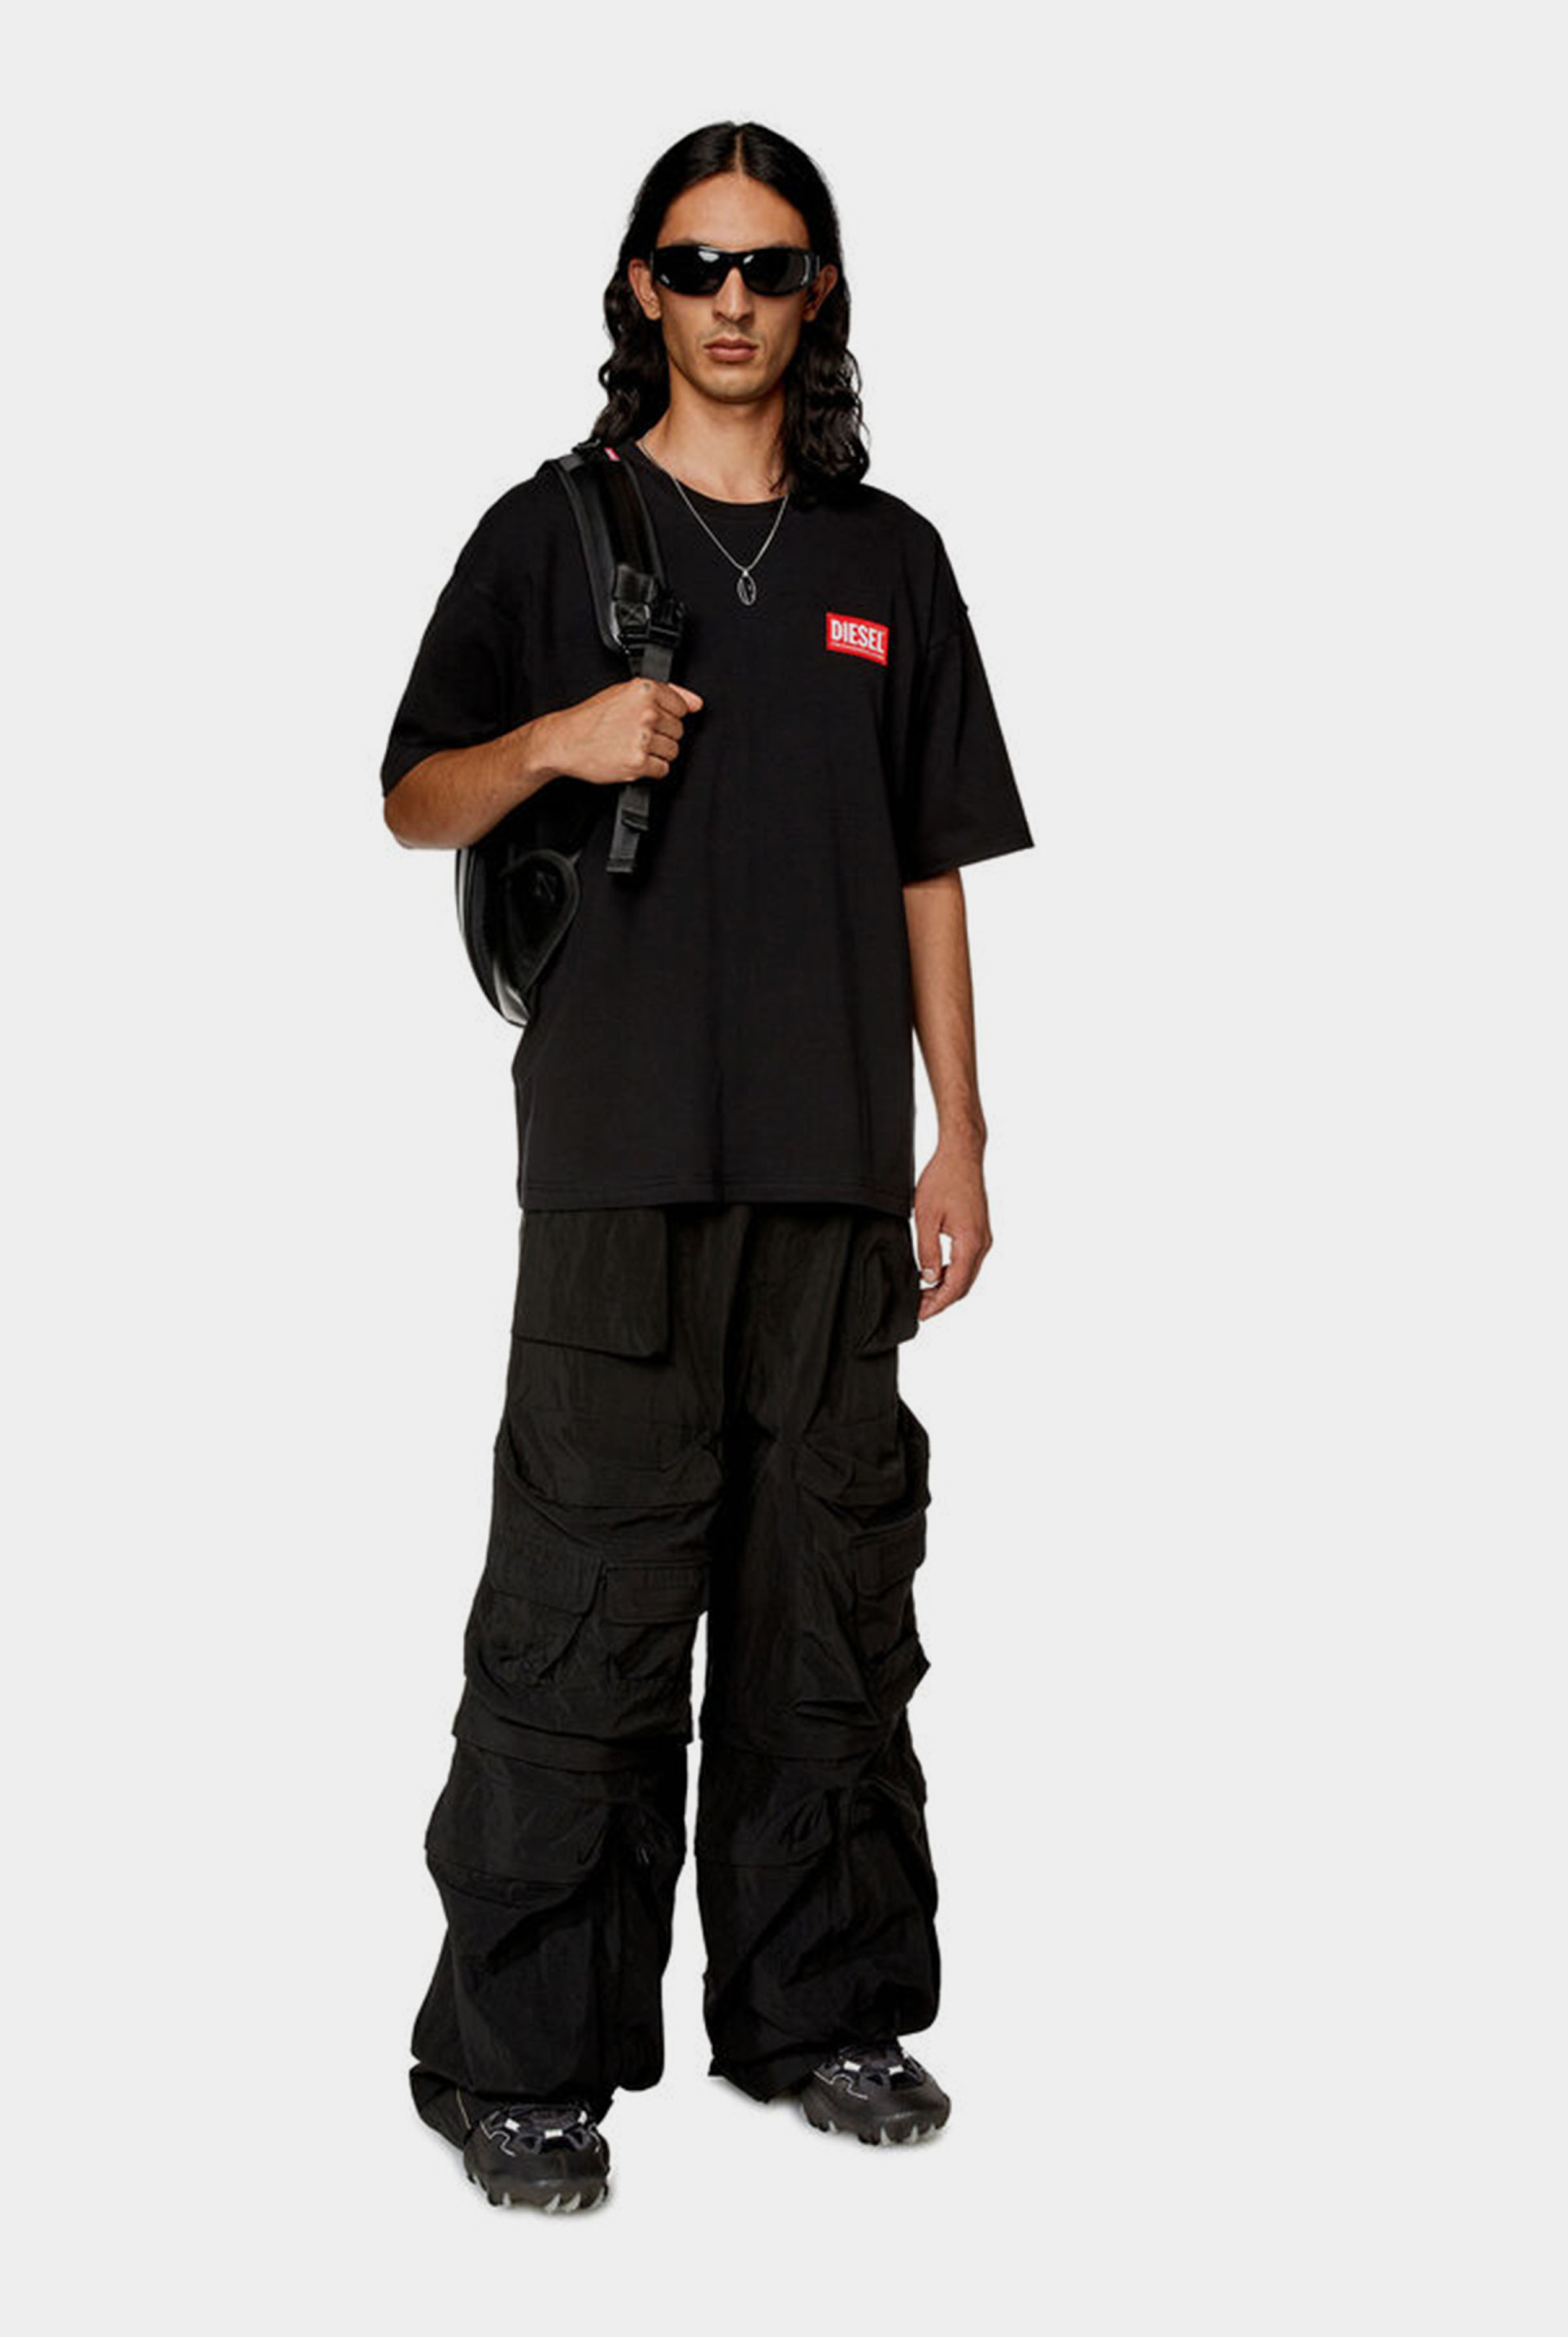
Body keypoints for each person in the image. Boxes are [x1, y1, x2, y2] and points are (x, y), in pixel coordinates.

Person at [377, 121, 1034, 2213]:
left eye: (766, 264)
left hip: (836, 1170)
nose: (729, 299)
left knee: (826, 1600)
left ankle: (818, 2009)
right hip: (617, 1166)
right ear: (639, 288)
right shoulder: (547, 535)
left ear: (814, 289)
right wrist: (557, 741)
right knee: (582, 1614)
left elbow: (928, 861)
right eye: (693, 263)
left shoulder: (886, 561)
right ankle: (515, 2065)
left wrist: (959, 1128)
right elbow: (412, 795)